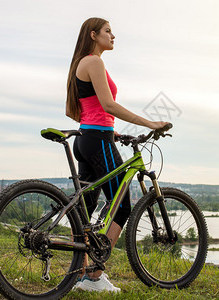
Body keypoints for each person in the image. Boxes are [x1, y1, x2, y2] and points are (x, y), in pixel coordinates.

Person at [66, 17, 169, 292]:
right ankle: (95, 275)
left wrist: (114, 133)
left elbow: (90, 111)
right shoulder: (94, 61)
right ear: (93, 35)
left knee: (85, 211)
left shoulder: (82, 63)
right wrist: (149, 123)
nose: (113, 36)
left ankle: (80, 274)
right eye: (108, 31)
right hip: (97, 141)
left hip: (88, 139)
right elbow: (108, 105)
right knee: (122, 206)